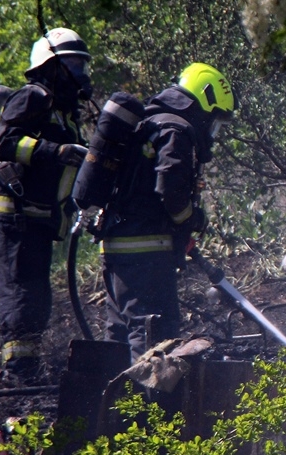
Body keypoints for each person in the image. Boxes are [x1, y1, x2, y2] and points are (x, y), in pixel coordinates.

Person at [98, 62, 235, 360]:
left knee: (122, 334)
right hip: (144, 251)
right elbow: (170, 191)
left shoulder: (151, 123)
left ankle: (110, 403)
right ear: (204, 103)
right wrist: (192, 219)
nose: (213, 132)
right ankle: (149, 406)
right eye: (215, 122)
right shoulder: (177, 129)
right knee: (154, 334)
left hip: (119, 245)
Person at [0, 27, 92, 383]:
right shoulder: (33, 96)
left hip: (37, 218)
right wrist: (56, 151)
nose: (81, 75)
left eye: (83, 66)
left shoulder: (62, 114)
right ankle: (17, 374)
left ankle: (27, 369)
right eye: (73, 65)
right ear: (51, 66)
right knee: (20, 297)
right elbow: (7, 141)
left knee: (37, 298)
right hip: (15, 213)